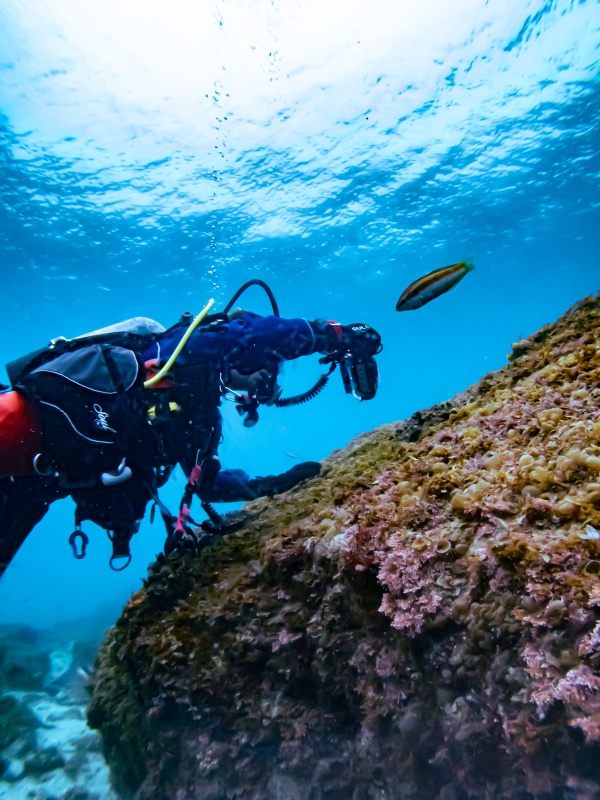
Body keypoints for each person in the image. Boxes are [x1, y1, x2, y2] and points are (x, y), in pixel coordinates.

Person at [0, 281, 382, 575]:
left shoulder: (198, 413)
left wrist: (269, 486)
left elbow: (208, 483)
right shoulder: (176, 352)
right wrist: (333, 334)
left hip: (37, 482)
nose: (268, 377)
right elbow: (247, 332)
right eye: (268, 364)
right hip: (17, 427)